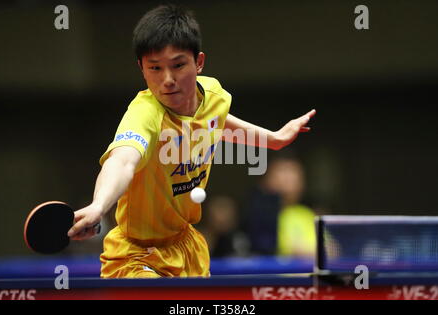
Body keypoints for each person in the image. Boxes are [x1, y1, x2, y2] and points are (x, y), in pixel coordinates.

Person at [66, 4, 316, 278]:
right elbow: (123, 161)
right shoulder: (144, 114)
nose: (168, 79)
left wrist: (273, 139)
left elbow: (218, 121)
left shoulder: (213, 95)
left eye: (178, 65)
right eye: (155, 68)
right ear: (141, 68)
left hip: (185, 246)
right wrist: (99, 206)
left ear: (198, 62)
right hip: (136, 252)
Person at [245, 155, 317, 258]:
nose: (289, 179)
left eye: (294, 172)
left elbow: (330, 250)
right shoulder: (258, 214)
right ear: (266, 179)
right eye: (283, 171)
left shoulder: (307, 214)